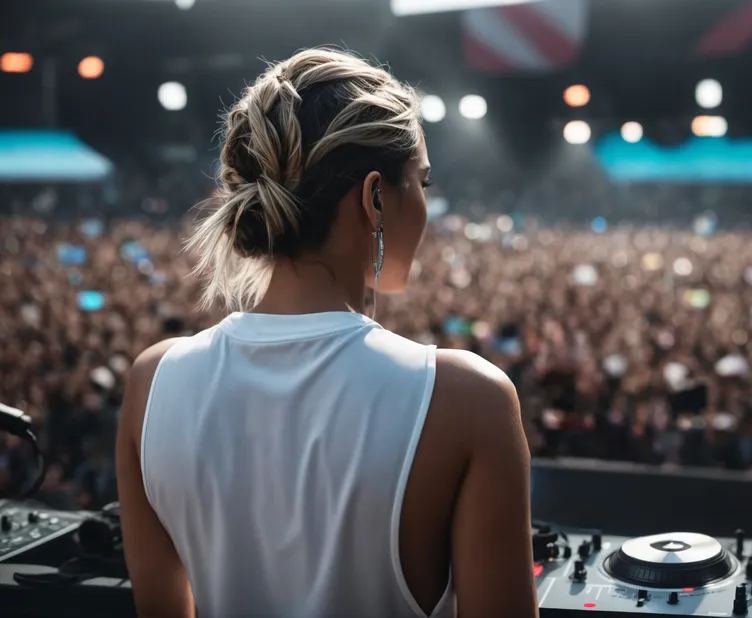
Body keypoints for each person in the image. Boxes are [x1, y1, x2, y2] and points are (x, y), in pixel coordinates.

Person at [115, 48, 537, 618]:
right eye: (423, 182)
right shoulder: (468, 398)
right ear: (375, 198)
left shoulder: (152, 382)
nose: (428, 208)